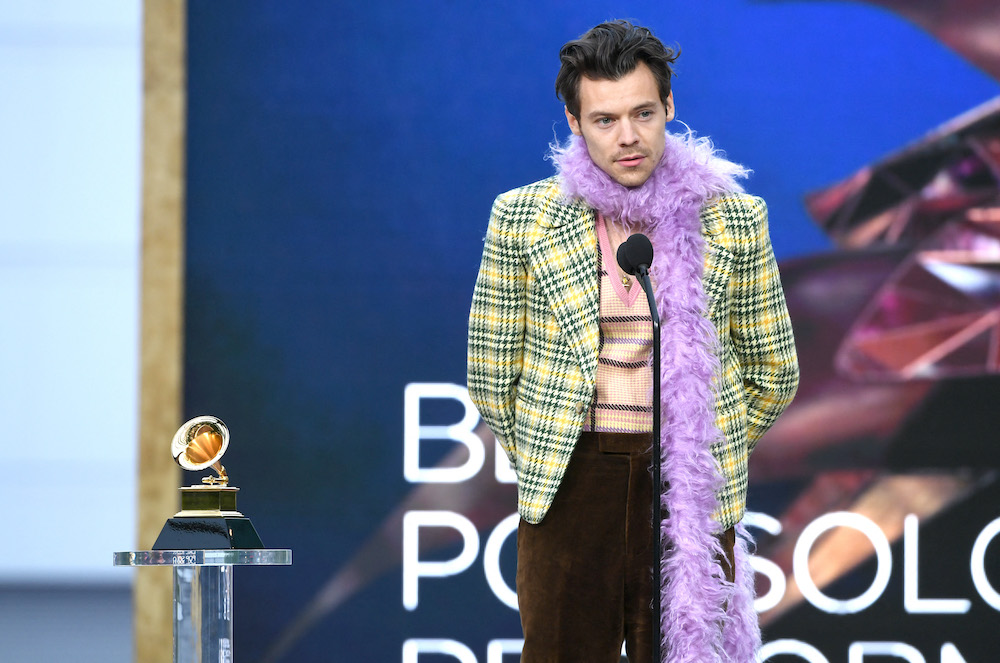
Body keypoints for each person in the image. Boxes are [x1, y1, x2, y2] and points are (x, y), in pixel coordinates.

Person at [467, 20, 798, 663]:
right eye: (605, 119)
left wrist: (706, 444)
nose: (627, 137)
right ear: (574, 121)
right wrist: (552, 448)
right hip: (572, 477)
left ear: (669, 106)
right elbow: (491, 375)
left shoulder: (734, 219)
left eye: (643, 113)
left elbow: (773, 372)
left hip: (686, 483)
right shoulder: (522, 217)